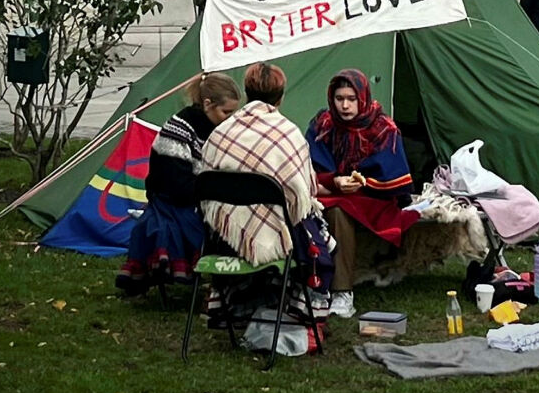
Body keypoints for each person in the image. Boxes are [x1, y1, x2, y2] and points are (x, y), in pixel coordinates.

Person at [199, 62, 332, 332]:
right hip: (282, 240)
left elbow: (205, 186)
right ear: (281, 96)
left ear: (246, 93)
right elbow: (303, 193)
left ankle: (237, 305)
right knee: (321, 239)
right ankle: (299, 309)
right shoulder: (288, 133)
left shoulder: (220, 133)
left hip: (226, 239)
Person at [115, 70, 241, 297]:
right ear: (207, 104)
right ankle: (226, 284)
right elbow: (175, 183)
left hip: (203, 194)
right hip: (176, 199)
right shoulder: (179, 130)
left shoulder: (220, 128)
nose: (231, 119)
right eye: (226, 112)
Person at [306, 68, 417, 319]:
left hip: (373, 199)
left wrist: (361, 183)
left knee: (337, 210)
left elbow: (394, 177)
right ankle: (313, 286)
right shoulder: (323, 124)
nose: (344, 105)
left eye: (351, 99)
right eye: (339, 99)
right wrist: (333, 181)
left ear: (362, 98)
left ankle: (342, 292)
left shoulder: (383, 129)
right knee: (309, 206)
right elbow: (308, 164)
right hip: (332, 191)